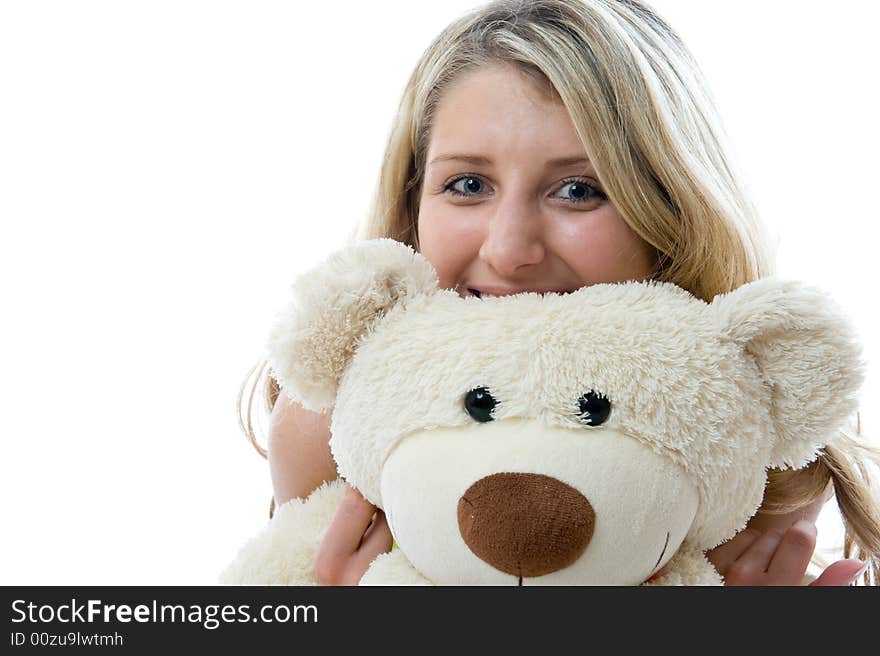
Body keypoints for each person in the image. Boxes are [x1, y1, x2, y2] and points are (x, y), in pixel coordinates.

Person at [239, 0, 880, 585]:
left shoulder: (748, 448)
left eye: (579, 190)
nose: (509, 250)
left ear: (673, 213)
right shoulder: (325, 423)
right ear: (413, 203)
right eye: (467, 185)